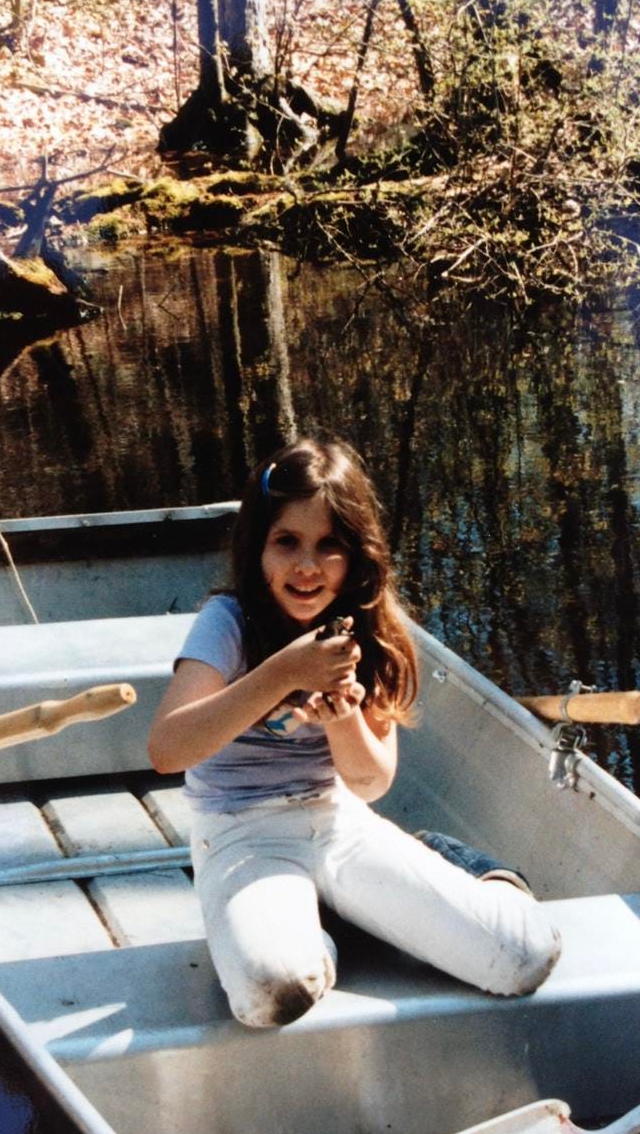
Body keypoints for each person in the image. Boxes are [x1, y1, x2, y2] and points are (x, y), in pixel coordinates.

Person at [147, 438, 561, 1027]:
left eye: (329, 547)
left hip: (339, 822)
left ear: (357, 555)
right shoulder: (228, 622)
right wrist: (282, 672)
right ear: (258, 548)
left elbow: (369, 783)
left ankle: (455, 866)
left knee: (526, 956)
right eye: (286, 542)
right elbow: (167, 749)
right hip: (240, 833)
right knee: (271, 993)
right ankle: (335, 925)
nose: (307, 566)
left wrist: (342, 719)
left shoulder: (370, 631)